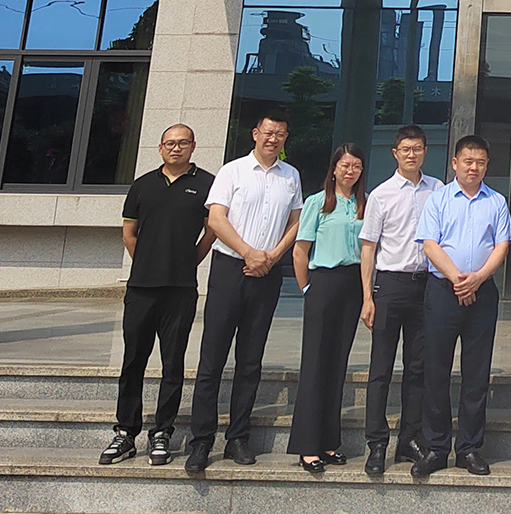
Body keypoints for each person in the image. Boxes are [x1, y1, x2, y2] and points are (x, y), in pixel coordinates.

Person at [185, 111, 304, 473]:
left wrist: (272, 257)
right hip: (230, 269)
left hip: (267, 272)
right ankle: (201, 440)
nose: (273, 139)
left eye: (280, 134)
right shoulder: (232, 171)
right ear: (255, 133)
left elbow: (296, 222)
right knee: (212, 359)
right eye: (268, 132)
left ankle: (238, 436)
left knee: (250, 361)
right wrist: (249, 253)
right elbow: (216, 219)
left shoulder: (291, 176)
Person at [101, 124, 215, 467]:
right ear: (161, 148)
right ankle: (125, 432)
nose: (176, 148)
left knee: (172, 364)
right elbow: (129, 233)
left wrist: (187, 262)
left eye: (182, 143)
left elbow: (211, 231)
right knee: (133, 360)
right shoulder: (142, 184)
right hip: (141, 289)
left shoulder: (207, 184)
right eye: (170, 143)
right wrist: (149, 264)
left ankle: (162, 432)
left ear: (193, 146)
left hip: (181, 291)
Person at [410, 135, 511, 478]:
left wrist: (477, 279)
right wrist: (458, 280)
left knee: (476, 374)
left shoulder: (496, 201)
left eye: (480, 162)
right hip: (443, 291)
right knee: (435, 370)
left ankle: (469, 447)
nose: (474, 167)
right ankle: (436, 447)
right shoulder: (438, 199)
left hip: (482, 294)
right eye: (468, 161)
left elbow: (502, 245)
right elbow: (430, 244)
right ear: (455, 163)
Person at [358, 124, 441, 476]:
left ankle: (409, 438)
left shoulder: (438, 190)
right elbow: (369, 248)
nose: (412, 154)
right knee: (381, 368)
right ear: (395, 153)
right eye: (405, 149)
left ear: (425, 152)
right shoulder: (381, 194)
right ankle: (377, 443)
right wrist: (367, 296)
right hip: (390, 285)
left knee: (418, 367)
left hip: (426, 285)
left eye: (417, 148)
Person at [285, 143, 368, 472]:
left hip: (352, 285)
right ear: (334, 169)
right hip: (323, 282)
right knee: (316, 361)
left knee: (337, 363)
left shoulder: (364, 204)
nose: (350, 171)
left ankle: (329, 441)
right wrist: (307, 288)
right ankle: (308, 446)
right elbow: (300, 251)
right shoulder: (317, 203)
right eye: (345, 165)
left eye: (356, 166)